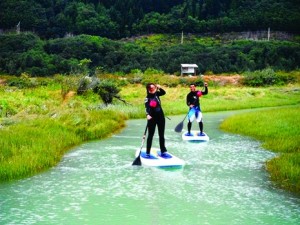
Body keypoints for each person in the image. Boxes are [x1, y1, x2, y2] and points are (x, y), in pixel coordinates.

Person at [144, 83, 168, 157]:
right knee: (150, 135)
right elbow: (146, 108)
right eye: (151, 88)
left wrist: (160, 87)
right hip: (152, 119)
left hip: (161, 117)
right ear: (148, 89)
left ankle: (163, 151)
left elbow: (164, 92)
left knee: (161, 135)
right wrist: (147, 115)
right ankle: (148, 152)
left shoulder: (157, 94)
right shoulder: (147, 98)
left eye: (154, 87)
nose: (153, 89)